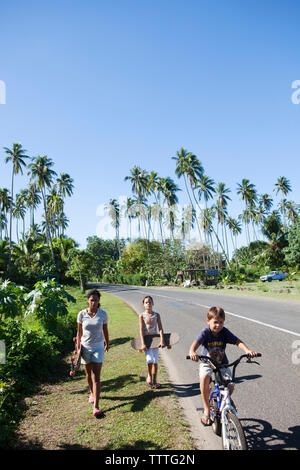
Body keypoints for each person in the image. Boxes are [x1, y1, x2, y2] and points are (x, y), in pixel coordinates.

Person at [189, 306, 259, 426]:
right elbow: (195, 344)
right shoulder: (205, 332)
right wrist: (192, 352)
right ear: (208, 321)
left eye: (221, 322)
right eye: (215, 322)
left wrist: (247, 350)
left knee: (230, 385)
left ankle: (226, 401)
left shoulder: (224, 332)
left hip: (222, 363)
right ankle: (206, 409)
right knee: (204, 378)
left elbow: (238, 341)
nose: (218, 325)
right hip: (207, 362)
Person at [76, 289, 109, 417]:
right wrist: (78, 347)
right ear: (87, 300)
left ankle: (96, 406)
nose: (94, 302)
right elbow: (79, 332)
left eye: (96, 300)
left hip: (98, 348)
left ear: (98, 301)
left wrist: (107, 343)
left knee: (96, 376)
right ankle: (92, 392)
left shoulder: (103, 314)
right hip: (85, 348)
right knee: (88, 375)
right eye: (91, 300)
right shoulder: (81, 314)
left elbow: (105, 329)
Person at [139, 295, 165, 389]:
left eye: (150, 302)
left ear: (153, 303)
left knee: (155, 361)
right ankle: (149, 376)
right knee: (149, 360)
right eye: (146, 302)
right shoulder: (142, 316)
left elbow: (161, 328)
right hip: (147, 342)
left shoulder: (156, 315)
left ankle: (154, 381)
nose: (148, 304)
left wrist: (162, 340)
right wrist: (143, 343)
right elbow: (141, 330)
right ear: (143, 304)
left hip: (155, 341)